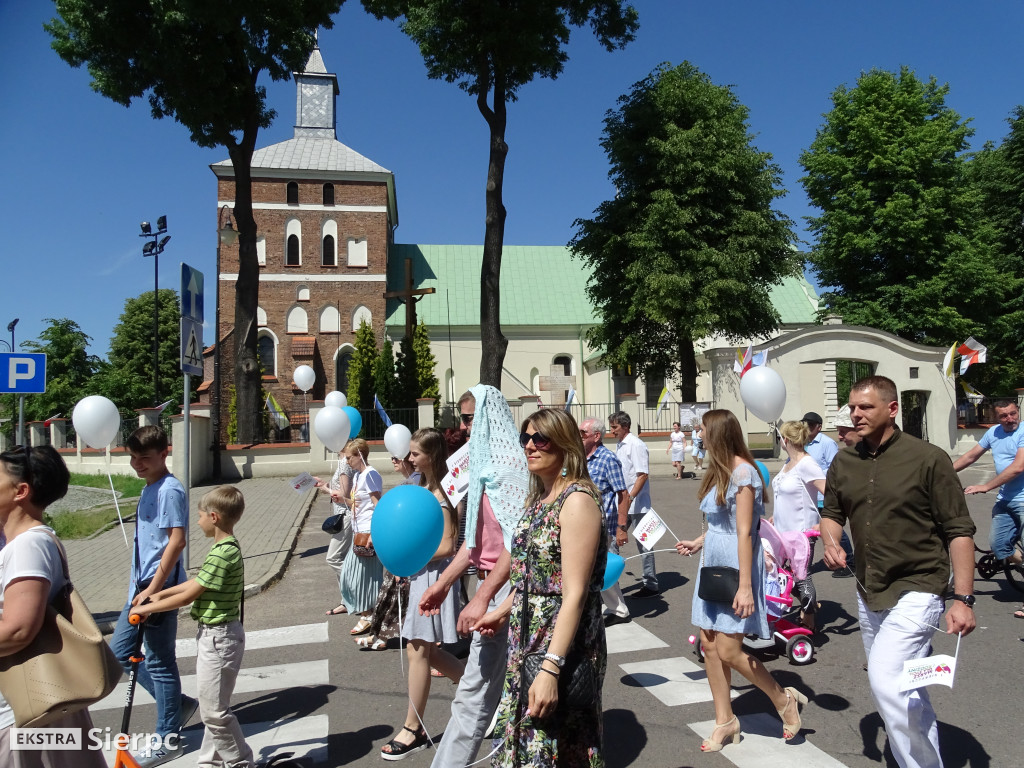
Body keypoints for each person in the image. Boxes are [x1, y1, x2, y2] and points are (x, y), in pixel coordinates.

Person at [821, 376, 976, 768]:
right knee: (906, 686)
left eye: (865, 407)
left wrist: (962, 598)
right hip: (869, 588)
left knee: (885, 679)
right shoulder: (844, 461)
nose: (855, 414)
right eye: (852, 407)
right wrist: (831, 541)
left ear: (892, 409)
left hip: (919, 585)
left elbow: (958, 530)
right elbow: (831, 513)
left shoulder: (928, 458)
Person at [476, 408, 607, 767]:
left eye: (540, 438)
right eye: (525, 438)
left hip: (560, 646)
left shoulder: (577, 500)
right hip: (527, 643)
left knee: (558, 744)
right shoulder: (539, 500)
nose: (530, 446)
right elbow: (530, 575)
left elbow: (575, 593)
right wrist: (500, 611)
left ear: (564, 445)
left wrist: (551, 668)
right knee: (528, 741)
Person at [675, 410, 807, 752]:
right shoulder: (717, 470)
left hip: (738, 567)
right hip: (714, 563)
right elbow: (721, 524)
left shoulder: (744, 473)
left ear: (716, 432)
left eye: (702, 429)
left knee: (730, 650)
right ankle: (725, 721)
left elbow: (747, 530)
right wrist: (698, 541)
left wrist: (747, 586)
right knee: (709, 646)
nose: (697, 433)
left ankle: (783, 700)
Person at [419, 386, 529, 768]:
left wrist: (484, 597)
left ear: (488, 416)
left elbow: (520, 547)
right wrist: (442, 584)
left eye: (469, 418)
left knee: (479, 693)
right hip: (492, 588)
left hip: (514, 592)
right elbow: (472, 545)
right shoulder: (483, 470)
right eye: (461, 418)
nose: (464, 427)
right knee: (482, 693)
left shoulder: (511, 469)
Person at [131, 486, 255, 768]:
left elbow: (189, 596)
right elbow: (198, 582)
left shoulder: (223, 553)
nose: (196, 522)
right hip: (216, 637)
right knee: (214, 708)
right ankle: (210, 763)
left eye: (199, 517)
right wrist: (159, 594)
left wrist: (145, 608)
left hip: (220, 638)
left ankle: (241, 761)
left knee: (214, 712)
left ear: (213, 517)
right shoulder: (222, 549)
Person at [0, 446, 107, 768]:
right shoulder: (25, 543)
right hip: (32, 709)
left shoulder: (29, 545)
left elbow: (18, 630)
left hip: (24, 713)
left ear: (21, 491)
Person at [110, 426, 197, 767]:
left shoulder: (169, 490)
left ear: (164, 454)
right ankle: (177, 706)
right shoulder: (150, 487)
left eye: (144, 458)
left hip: (157, 589)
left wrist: (151, 590)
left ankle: (168, 738)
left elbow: (177, 541)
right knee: (118, 654)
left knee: (160, 662)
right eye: (132, 458)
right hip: (141, 588)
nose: (137, 464)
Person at [380, 429, 463, 760]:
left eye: (415, 453)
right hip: (420, 575)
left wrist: (411, 555)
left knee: (418, 650)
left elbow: (448, 545)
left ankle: (412, 728)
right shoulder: (420, 485)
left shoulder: (444, 493)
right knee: (428, 652)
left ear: (432, 455)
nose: (409, 458)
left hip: (434, 576)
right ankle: (485, 698)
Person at [952, 398, 1024, 619]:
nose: (1009, 419)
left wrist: (986, 486)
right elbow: (971, 456)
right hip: (1005, 500)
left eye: (1012, 413)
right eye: (1003, 416)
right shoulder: (993, 433)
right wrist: (943, 472)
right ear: (996, 417)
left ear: (1018, 411)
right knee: (999, 545)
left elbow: (1018, 467)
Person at [355, 452, 420, 651]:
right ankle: (378, 634)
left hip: (410, 549)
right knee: (389, 593)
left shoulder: (417, 483)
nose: (393, 460)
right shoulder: (409, 481)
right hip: (400, 547)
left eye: (396, 457)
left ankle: (381, 636)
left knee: (397, 596)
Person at [770, 421, 826, 631]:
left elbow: (829, 491)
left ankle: (808, 619)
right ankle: (809, 605)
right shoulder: (788, 462)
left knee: (801, 577)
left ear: (786, 440)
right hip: (782, 532)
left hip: (801, 533)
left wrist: (824, 520)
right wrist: (774, 517)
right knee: (782, 575)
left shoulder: (806, 463)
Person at [580, 416, 630, 624]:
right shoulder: (581, 458)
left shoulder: (607, 459)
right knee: (592, 568)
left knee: (602, 568)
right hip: (584, 525)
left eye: (583, 433)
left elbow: (623, 494)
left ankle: (619, 610)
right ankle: (613, 607)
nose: (578, 436)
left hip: (604, 526)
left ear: (596, 436)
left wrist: (621, 527)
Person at [608, 411, 658, 597]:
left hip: (638, 505)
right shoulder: (620, 444)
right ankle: (612, 584)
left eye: (615, 427)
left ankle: (651, 584)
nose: (612, 431)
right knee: (612, 541)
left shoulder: (635, 445)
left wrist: (630, 497)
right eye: (611, 426)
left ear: (625, 426)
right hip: (622, 504)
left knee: (644, 545)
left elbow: (642, 474)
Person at [340, 438, 385, 636]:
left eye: (349, 458)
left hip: (368, 533)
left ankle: (369, 615)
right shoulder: (359, 476)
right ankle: (370, 614)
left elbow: (379, 505)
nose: (347, 461)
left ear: (360, 455)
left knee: (365, 578)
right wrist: (343, 499)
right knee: (349, 576)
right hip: (358, 532)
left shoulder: (370, 474)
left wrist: (375, 533)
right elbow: (358, 503)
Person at [802, 411, 854, 579]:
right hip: (810, 495)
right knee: (817, 529)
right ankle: (805, 564)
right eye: (805, 425)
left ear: (819, 427)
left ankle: (850, 561)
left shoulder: (827, 443)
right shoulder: (804, 443)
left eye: (810, 425)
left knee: (832, 526)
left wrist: (816, 476)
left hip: (824, 494)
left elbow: (835, 468)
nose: (807, 428)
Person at [314, 452, 354, 616]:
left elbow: (344, 494)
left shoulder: (345, 462)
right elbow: (338, 489)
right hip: (341, 517)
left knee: (333, 558)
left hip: (345, 517)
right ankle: (347, 601)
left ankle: (357, 589)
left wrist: (325, 488)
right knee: (341, 558)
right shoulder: (342, 461)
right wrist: (326, 485)